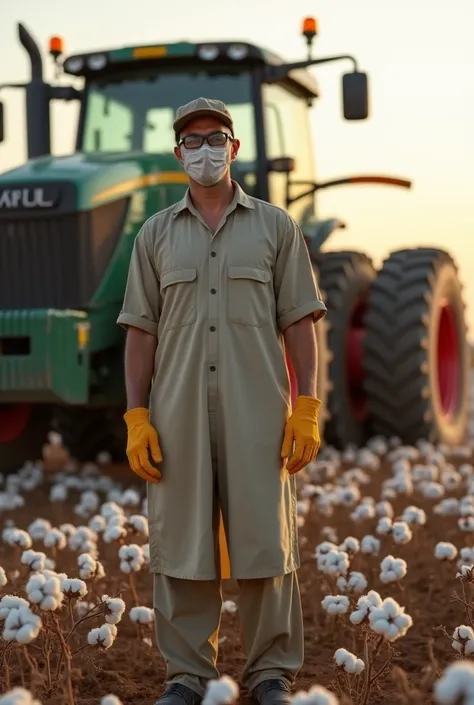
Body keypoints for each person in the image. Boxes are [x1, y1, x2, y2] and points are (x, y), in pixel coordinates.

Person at [116, 97, 327, 705]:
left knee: (265, 539)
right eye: (192, 140)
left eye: (216, 138)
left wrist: (306, 406)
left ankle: (270, 674)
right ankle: (187, 675)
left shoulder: (276, 227)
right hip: (177, 412)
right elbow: (139, 331)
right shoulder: (154, 234)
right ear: (178, 152)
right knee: (181, 541)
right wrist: (136, 416)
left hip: (258, 410)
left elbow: (299, 323)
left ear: (234, 148)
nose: (204, 149)